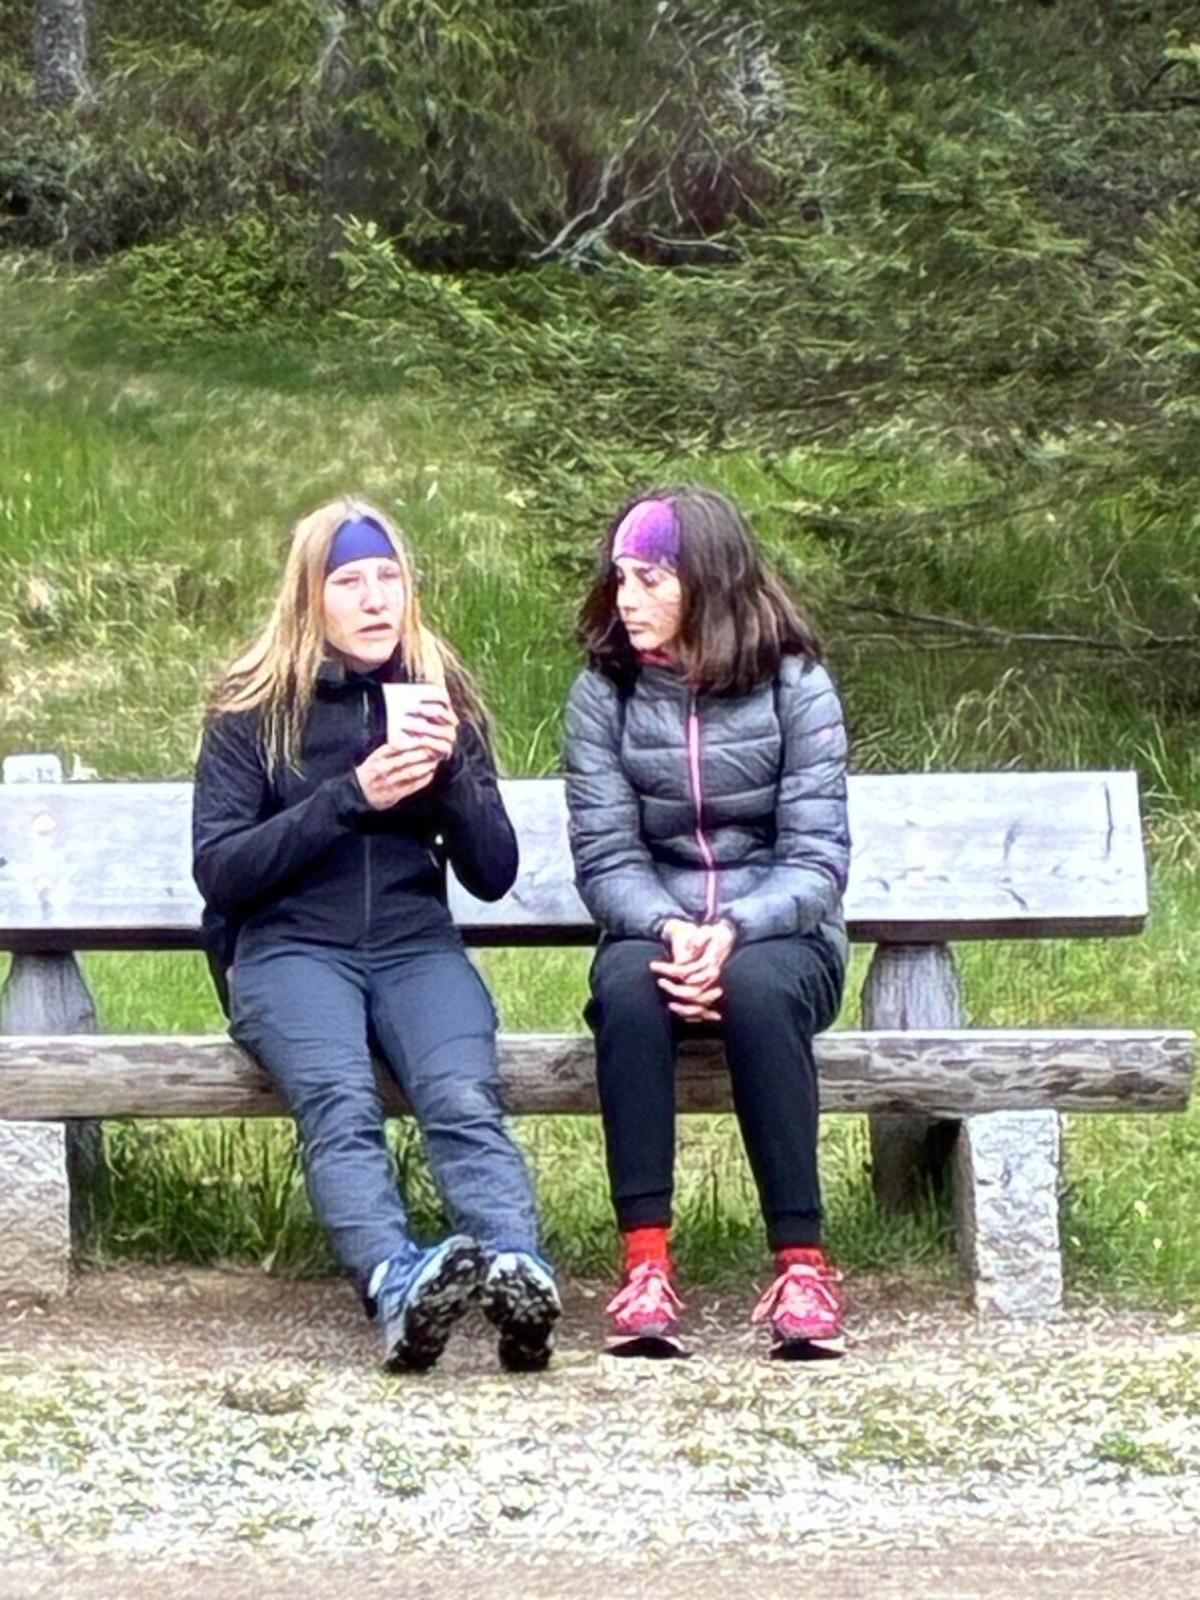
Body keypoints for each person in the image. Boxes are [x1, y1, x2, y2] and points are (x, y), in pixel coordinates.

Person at [192, 496, 560, 1373]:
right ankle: (397, 1283)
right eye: (349, 581)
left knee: (462, 1095)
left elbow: (494, 872)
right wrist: (351, 796)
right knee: (341, 1102)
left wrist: (448, 777)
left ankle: (519, 1275)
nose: (374, 599)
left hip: (413, 945)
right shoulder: (252, 708)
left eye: (389, 578)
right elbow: (222, 870)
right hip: (288, 950)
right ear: (309, 597)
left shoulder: (437, 695)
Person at [564, 487, 850, 1359]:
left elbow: (817, 861)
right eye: (621, 578)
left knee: (758, 989)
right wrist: (672, 928)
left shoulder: (796, 686)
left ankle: (802, 1265)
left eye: (651, 579)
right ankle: (645, 1264)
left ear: (708, 583)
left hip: (779, 937)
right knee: (626, 990)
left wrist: (733, 930)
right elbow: (606, 860)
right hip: (658, 931)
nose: (628, 598)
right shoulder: (604, 693)